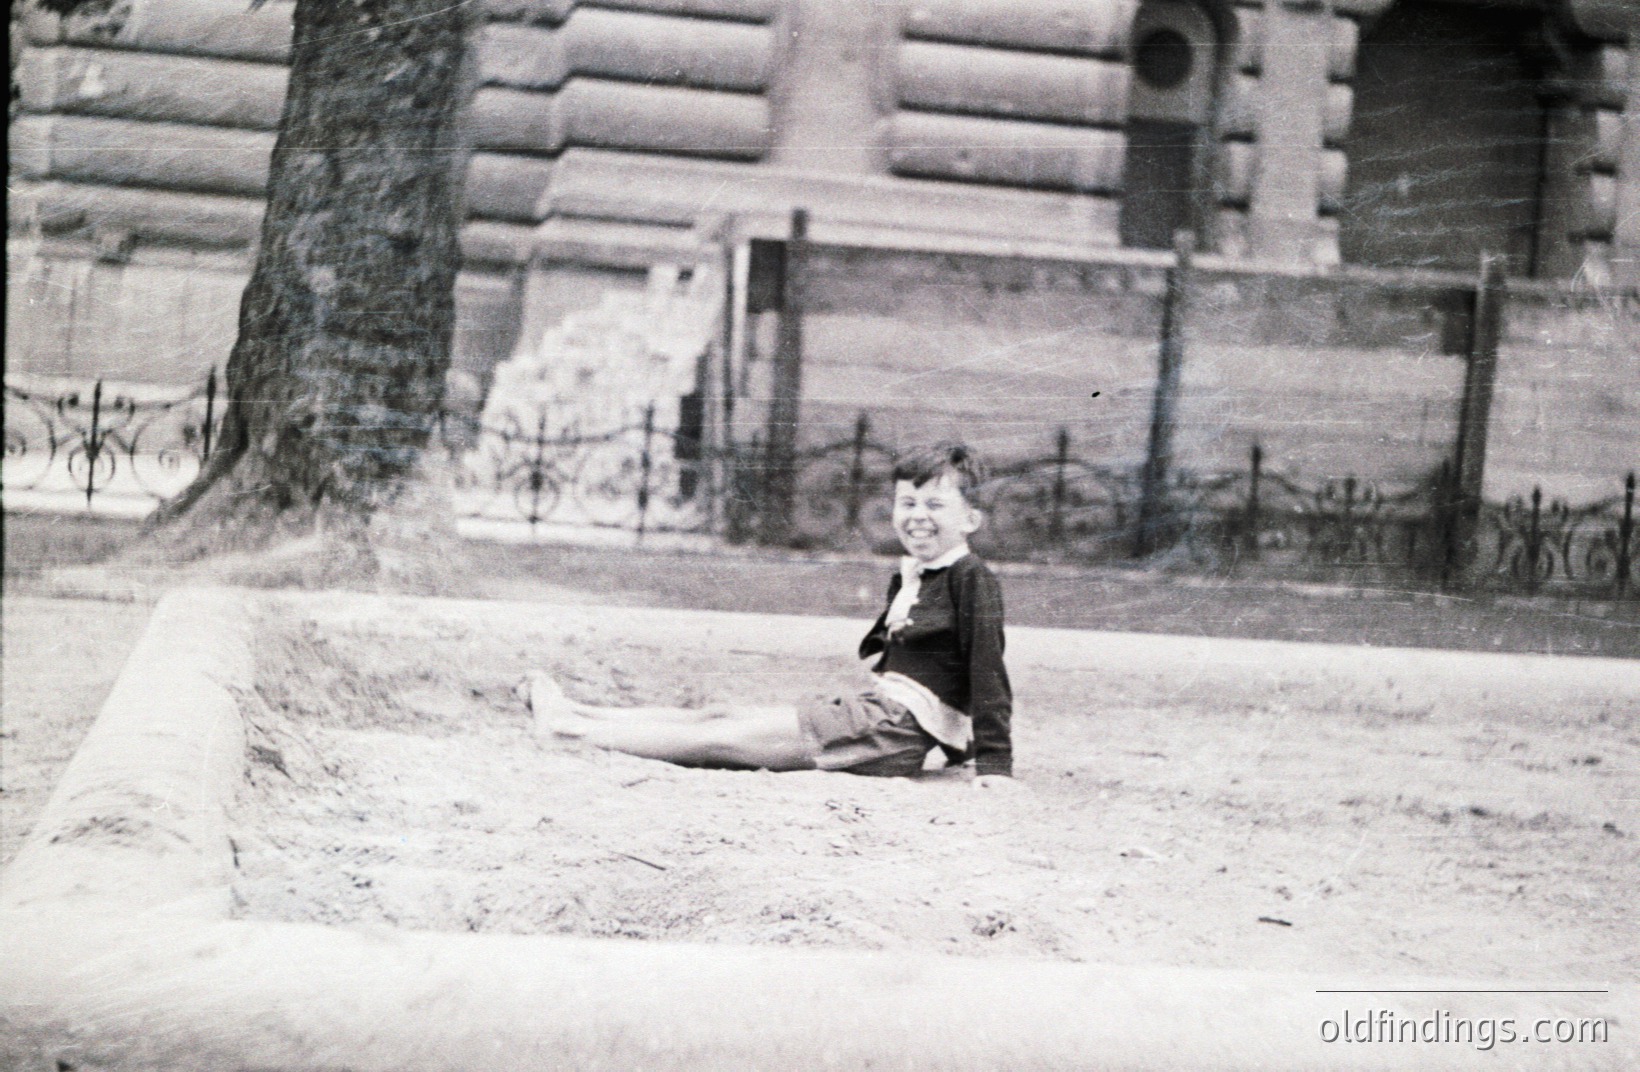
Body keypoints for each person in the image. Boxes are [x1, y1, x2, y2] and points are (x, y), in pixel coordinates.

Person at [526, 443, 1018, 789]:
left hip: (891, 732)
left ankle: (571, 731)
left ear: (970, 519)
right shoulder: (919, 572)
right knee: (720, 718)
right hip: (878, 716)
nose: (917, 516)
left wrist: (992, 763)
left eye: (935, 505)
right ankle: (578, 713)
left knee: (725, 741)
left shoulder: (969, 578)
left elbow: (986, 670)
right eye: (907, 502)